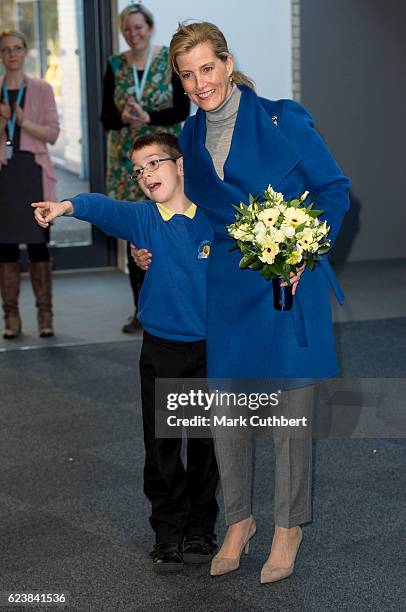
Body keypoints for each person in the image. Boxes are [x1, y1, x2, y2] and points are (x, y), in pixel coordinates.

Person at [133, 21, 351, 582]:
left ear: (227, 64)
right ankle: (239, 521)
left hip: (287, 279)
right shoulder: (187, 136)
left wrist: (306, 246)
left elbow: (333, 188)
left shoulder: (284, 117)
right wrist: (150, 248)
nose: (200, 82)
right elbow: (183, 210)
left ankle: (288, 526)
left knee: (289, 412)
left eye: (207, 68)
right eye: (188, 74)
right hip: (227, 284)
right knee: (227, 408)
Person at [32, 132, 219, 573]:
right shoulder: (144, 221)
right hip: (163, 350)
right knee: (163, 446)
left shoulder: (215, 217)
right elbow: (102, 206)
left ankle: (201, 529)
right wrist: (63, 207)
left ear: (181, 164)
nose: (146, 175)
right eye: (138, 170)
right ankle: (167, 534)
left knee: (208, 445)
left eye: (154, 163)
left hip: (214, 352)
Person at [100, 3, 190, 334]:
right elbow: (105, 118)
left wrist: (148, 118)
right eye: (127, 29)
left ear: (150, 28)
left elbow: (182, 108)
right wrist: (124, 118)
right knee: (136, 234)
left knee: (171, 230)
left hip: (163, 159)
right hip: (128, 165)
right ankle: (140, 310)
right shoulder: (115, 65)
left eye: (138, 27)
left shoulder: (168, 60)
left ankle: (176, 304)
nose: (133, 33)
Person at [0, 29, 59, 339]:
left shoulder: (41, 89)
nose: (12, 54)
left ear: (25, 51)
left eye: (17, 48)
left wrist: (22, 121)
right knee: (5, 248)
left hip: (33, 174)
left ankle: (45, 315)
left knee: (38, 245)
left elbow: (52, 134)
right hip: (4, 177)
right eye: (6, 49)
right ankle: (10, 317)